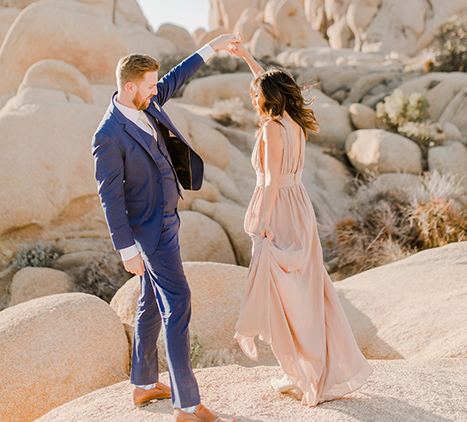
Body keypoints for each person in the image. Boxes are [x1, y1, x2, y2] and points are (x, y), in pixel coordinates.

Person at [92, 34, 239, 422]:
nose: (158, 89)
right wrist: (127, 250)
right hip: (150, 233)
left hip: (168, 220)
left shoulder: (148, 99)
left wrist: (215, 45)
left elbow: (178, 75)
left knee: (150, 303)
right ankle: (186, 405)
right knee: (178, 303)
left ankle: (142, 384)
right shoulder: (107, 136)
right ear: (130, 87)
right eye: (150, 84)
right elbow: (111, 198)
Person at [229, 40, 372, 407]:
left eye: (256, 94)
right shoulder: (294, 122)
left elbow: (272, 178)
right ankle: (302, 371)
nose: (253, 98)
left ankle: (305, 372)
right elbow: (267, 79)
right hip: (299, 207)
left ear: (267, 98)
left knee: (283, 293)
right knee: (303, 290)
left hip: (279, 208)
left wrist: (262, 221)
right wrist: (247, 56)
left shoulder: (273, 129)